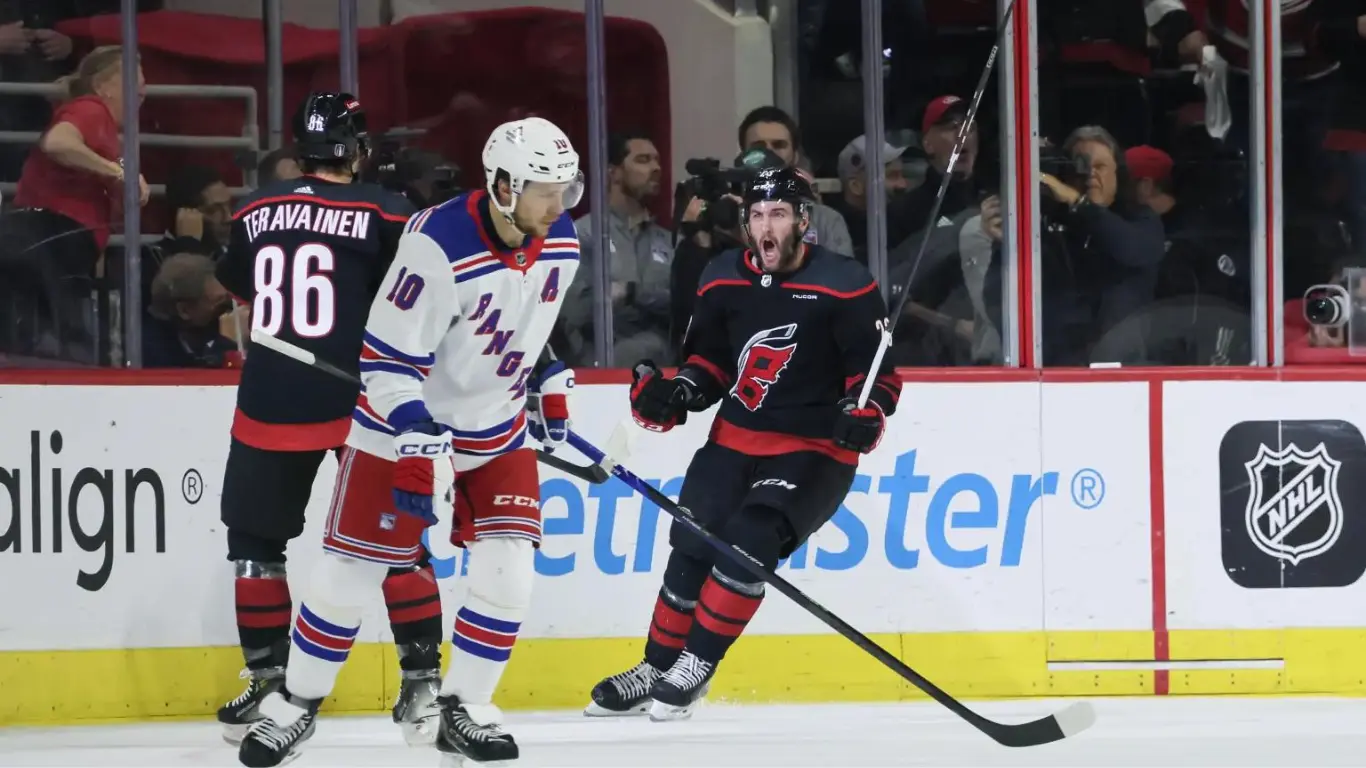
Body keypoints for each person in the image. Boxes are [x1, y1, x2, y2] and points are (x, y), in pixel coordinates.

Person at [237, 116, 583, 767]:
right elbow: (386, 359)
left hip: (495, 427)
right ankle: (296, 706)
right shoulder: (437, 241)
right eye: (544, 189)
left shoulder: (560, 237)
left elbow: (518, 326)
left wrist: (547, 376)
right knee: (350, 573)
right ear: (504, 185)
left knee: (511, 570)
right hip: (399, 426)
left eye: (565, 188)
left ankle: (465, 709)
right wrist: (416, 431)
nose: (559, 204)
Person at [586, 166, 901, 721]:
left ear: (804, 219)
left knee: (749, 538)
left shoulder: (845, 283)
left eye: (778, 214)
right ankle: (657, 666)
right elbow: (707, 362)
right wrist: (679, 391)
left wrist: (867, 411)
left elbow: (877, 374)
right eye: (756, 215)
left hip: (814, 449)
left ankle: (696, 665)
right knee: (691, 545)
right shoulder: (722, 276)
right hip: (734, 439)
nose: (766, 226)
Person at [211, 92, 447, 750]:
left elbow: (238, 280)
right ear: (358, 148)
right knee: (397, 540)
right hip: (361, 399)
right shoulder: (386, 209)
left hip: (272, 393)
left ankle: (267, 681)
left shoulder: (254, 207)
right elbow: (420, 297)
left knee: (256, 546)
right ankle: (422, 681)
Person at [1, 45, 147, 363]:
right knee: (61, 349)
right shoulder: (91, 109)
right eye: (133, 87)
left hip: (50, 241)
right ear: (102, 87)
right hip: (47, 237)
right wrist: (120, 173)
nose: (140, 97)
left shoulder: (104, 132)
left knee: (38, 344)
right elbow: (58, 142)